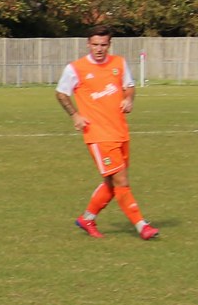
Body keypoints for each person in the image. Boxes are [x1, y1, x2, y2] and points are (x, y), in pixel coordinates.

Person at [56, 25, 159, 240]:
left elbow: (129, 86)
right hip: (98, 135)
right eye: (95, 44)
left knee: (113, 185)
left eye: (103, 45)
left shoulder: (119, 63)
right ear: (88, 44)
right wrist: (75, 115)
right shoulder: (76, 68)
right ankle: (141, 226)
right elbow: (61, 93)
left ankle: (87, 219)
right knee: (121, 181)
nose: (99, 49)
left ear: (109, 45)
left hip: (120, 131)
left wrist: (128, 98)